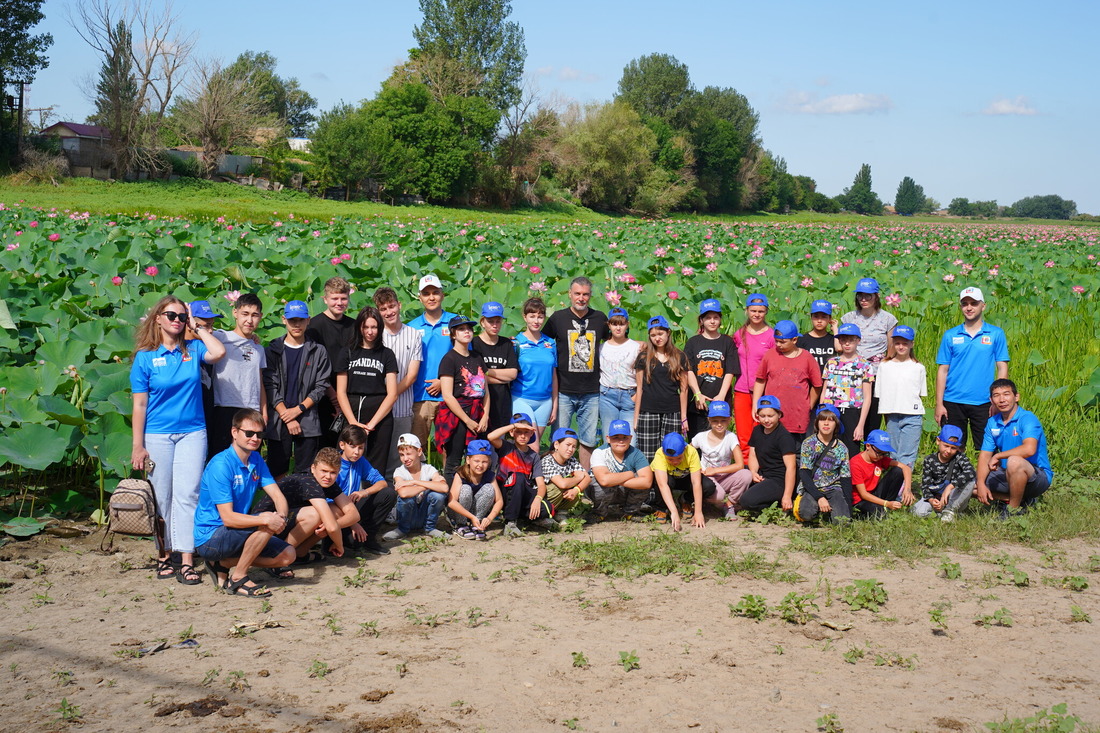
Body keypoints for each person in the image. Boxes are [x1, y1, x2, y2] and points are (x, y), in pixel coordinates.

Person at [131, 296, 226, 585]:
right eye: (171, 315)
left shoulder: (194, 348)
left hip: (193, 433)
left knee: (189, 494)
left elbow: (219, 351)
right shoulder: (145, 357)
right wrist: (138, 444)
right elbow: (139, 406)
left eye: (181, 316)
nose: (176, 320)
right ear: (157, 318)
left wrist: (198, 326)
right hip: (157, 434)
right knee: (163, 496)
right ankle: (163, 555)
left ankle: (186, 559)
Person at [193, 409, 296, 598]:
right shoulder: (221, 465)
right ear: (234, 432)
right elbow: (229, 518)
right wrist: (267, 521)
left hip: (237, 532)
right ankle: (238, 577)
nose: (255, 438)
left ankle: (224, 564)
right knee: (265, 521)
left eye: (259, 434)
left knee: (288, 555)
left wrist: (280, 517)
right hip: (211, 537)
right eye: (249, 433)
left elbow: (278, 495)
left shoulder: (256, 459)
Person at [251, 447, 360, 573]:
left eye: (333, 472)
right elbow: (331, 527)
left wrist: (331, 525)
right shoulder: (308, 481)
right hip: (262, 529)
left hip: (285, 523)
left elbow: (354, 514)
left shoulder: (327, 482)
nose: (328, 476)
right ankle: (276, 557)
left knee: (336, 512)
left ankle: (299, 554)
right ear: (313, 468)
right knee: (316, 514)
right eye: (324, 471)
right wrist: (339, 545)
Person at [544, 276, 609, 469]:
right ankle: (554, 478)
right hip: (564, 389)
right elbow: (542, 342)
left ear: (590, 296)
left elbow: (616, 342)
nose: (581, 298)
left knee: (588, 439)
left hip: (592, 390)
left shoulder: (600, 318)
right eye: (577, 294)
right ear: (570, 295)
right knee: (559, 437)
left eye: (585, 294)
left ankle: (584, 481)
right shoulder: (558, 318)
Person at [935, 287, 1010, 450]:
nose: (969, 308)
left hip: (984, 402)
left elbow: (1002, 367)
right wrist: (939, 404)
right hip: (953, 401)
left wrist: (997, 400)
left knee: (987, 449)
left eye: (974, 303)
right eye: (965, 304)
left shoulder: (996, 334)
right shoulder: (950, 335)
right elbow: (942, 371)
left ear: (983, 306)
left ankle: (986, 477)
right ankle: (954, 476)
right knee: (952, 448)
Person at [263, 300, 331, 478]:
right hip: (279, 419)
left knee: (306, 473)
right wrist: (287, 415)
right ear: (284, 319)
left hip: (307, 418)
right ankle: (278, 506)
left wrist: (298, 410)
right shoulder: (272, 350)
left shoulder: (319, 351)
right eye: (292, 320)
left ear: (308, 320)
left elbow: (321, 385)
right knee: (277, 472)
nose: (297, 324)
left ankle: (301, 506)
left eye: (301, 320)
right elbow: (270, 385)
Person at [976, 379, 1053, 519]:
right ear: (991, 400)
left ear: (1016, 396)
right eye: (996, 395)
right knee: (968, 483)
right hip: (1006, 474)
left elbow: (1029, 449)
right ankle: (1017, 500)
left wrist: (998, 456)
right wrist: (980, 483)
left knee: (1014, 461)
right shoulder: (992, 422)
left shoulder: (1027, 418)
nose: (1002, 399)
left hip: (1036, 476)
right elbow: (985, 455)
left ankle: (1012, 511)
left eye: (1006, 394)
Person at [334, 306, 398, 474]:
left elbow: (392, 394)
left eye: (374, 327)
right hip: (352, 410)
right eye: (366, 327)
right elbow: (340, 391)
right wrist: (353, 422)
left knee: (376, 466)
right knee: (346, 461)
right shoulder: (347, 352)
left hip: (379, 414)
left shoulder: (387, 354)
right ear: (359, 328)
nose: (370, 332)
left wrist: (371, 425)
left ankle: (373, 499)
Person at [208, 293, 268, 456]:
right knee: (220, 457)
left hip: (251, 410)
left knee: (247, 458)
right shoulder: (221, 336)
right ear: (235, 313)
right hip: (224, 407)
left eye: (255, 315)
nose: (249, 320)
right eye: (245, 314)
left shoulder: (259, 349)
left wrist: (264, 412)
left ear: (261, 317)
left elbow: (259, 381)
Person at [373, 286, 423, 481]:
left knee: (399, 460)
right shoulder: (375, 335)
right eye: (383, 309)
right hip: (377, 409)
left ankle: (395, 504)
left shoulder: (414, 334)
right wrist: (385, 399)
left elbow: (411, 376)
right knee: (376, 458)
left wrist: (391, 395)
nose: (389, 312)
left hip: (402, 408)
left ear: (399, 305)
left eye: (391, 306)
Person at [435, 315, 489, 486]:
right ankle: (452, 505)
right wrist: (467, 421)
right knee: (454, 462)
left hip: (478, 412)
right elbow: (447, 395)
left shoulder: (477, 357)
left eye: (469, 328)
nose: (467, 332)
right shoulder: (449, 359)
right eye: (461, 329)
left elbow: (485, 391)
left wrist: (485, 416)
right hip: (457, 415)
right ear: (453, 334)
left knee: (478, 459)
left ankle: (473, 499)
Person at [841, 278, 898, 433]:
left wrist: (885, 363)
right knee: (851, 413)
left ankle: (870, 450)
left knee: (873, 412)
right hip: (852, 370)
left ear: (876, 296)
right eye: (860, 296)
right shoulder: (848, 318)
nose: (864, 299)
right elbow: (843, 342)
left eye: (868, 296)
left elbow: (891, 346)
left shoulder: (888, 319)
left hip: (876, 372)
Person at [408, 273, 458, 450]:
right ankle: (416, 478)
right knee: (415, 447)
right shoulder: (411, 327)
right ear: (420, 298)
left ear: (442, 295)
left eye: (435, 292)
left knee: (448, 447)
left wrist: (443, 382)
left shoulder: (455, 322)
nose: (431, 297)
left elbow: (465, 359)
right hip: (420, 396)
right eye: (426, 293)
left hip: (449, 396)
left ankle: (449, 478)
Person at [751, 320, 822, 443]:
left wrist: (808, 405)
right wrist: (756, 405)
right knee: (772, 449)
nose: (778, 345)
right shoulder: (770, 355)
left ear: (794, 340)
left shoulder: (806, 358)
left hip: (797, 417)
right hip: (772, 415)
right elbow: (760, 380)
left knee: (796, 451)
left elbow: (817, 385)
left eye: (782, 342)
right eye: (776, 341)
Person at [306, 277, 355, 449]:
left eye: (343, 298)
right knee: (325, 445)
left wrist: (342, 398)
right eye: (334, 298)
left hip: (349, 393)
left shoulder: (354, 326)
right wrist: (334, 396)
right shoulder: (314, 326)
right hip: (322, 393)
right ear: (325, 299)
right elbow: (314, 366)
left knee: (348, 444)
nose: (339, 303)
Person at [488, 413, 555, 537]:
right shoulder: (506, 446)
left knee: (547, 508)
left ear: (531, 434)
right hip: (504, 493)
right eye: (519, 432)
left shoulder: (534, 456)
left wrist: (537, 499)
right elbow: (491, 437)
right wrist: (513, 425)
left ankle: (523, 517)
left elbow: (540, 484)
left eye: (526, 432)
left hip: (522, 493)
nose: (523, 436)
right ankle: (510, 523)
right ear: (512, 433)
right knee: (518, 477)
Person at [634, 315, 690, 460]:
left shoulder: (679, 356)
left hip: (672, 411)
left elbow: (684, 389)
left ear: (668, 333)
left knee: (670, 452)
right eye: (653, 335)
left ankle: (666, 482)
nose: (657, 338)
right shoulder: (643, 357)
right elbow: (639, 389)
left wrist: (683, 417)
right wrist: (636, 418)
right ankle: (649, 482)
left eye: (660, 334)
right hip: (648, 410)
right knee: (647, 454)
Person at [337, 425, 397, 555]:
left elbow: (381, 482)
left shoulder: (361, 461)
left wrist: (364, 492)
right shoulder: (334, 464)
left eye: (361, 448)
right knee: (354, 543)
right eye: (352, 447)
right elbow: (329, 501)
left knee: (388, 494)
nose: (357, 452)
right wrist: (353, 522)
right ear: (342, 445)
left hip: (352, 508)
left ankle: (369, 537)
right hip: (336, 513)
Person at [685, 298, 740, 436]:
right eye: (708, 317)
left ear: (720, 319)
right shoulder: (693, 343)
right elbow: (688, 370)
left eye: (716, 317)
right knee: (696, 441)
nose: (712, 321)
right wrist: (697, 394)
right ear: (701, 320)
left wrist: (721, 395)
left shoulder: (727, 342)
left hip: (720, 400)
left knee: (719, 441)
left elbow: (730, 371)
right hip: (697, 402)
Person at [690, 400, 752, 520]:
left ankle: (729, 504)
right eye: (715, 421)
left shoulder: (731, 437)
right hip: (708, 476)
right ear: (709, 420)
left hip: (724, 475)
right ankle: (704, 501)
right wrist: (697, 469)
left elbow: (739, 464)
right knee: (718, 495)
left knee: (746, 475)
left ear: (729, 420)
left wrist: (716, 470)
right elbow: (688, 452)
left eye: (723, 420)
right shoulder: (701, 437)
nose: (719, 424)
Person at [383, 432, 450, 541]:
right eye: (401, 455)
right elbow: (403, 493)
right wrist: (430, 485)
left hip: (424, 514)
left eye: (409, 454)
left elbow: (444, 488)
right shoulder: (399, 471)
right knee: (406, 498)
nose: (405, 458)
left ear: (419, 451)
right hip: (408, 517)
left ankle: (430, 528)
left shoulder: (428, 469)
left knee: (438, 495)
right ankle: (402, 529)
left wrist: (414, 483)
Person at [875, 325, 926, 469]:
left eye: (905, 343)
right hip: (892, 415)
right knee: (894, 454)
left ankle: (905, 487)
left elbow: (920, 394)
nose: (901, 347)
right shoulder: (884, 366)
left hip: (912, 415)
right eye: (897, 343)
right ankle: (895, 486)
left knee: (907, 454)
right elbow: (880, 394)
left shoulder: (918, 367)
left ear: (912, 344)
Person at [738, 396, 799, 513]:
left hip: (779, 479)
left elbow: (791, 467)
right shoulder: (757, 430)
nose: (766, 420)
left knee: (746, 501)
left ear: (779, 415)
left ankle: (780, 505)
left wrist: (787, 495)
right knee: (739, 474)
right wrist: (753, 472)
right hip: (763, 474)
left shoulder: (784, 437)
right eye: (762, 416)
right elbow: (753, 454)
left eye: (770, 416)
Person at [792, 405, 852, 524]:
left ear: (836, 424)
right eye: (822, 419)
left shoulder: (842, 448)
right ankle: (819, 508)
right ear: (817, 423)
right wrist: (819, 497)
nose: (826, 423)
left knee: (843, 522)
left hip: (834, 488)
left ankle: (831, 512)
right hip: (812, 487)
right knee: (805, 514)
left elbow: (845, 478)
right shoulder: (808, 443)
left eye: (830, 420)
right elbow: (804, 474)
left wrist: (848, 507)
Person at [732, 294, 774, 461]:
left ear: (766, 312)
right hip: (741, 389)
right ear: (747, 310)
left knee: (761, 431)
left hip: (763, 391)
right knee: (743, 433)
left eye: (761, 311)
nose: (757, 314)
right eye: (753, 310)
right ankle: (745, 468)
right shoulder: (739, 334)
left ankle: (762, 466)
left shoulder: (771, 335)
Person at [820, 322, 873, 455]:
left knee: (851, 449)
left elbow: (867, 397)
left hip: (853, 411)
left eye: (851, 340)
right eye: (843, 340)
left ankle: (849, 476)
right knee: (829, 448)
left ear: (858, 341)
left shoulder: (865, 365)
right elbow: (824, 390)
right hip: (831, 410)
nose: (847, 343)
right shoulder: (832, 363)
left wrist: (861, 425)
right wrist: (820, 412)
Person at [511, 296, 558, 443]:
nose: (536, 321)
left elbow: (554, 375)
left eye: (540, 317)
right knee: (533, 445)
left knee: (529, 451)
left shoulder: (550, 343)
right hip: (522, 398)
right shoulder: (515, 343)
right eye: (532, 316)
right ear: (525, 317)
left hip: (545, 401)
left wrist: (554, 405)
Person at [588, 420, 654, 520]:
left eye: (624, 437)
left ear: (630, 438)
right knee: (597, 483)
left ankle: (630, 512)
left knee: (642, 482)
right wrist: (630, 474)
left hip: (623, 491)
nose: (621, 441)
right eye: (616, 437)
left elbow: (647, 482)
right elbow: (604, 480)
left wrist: (615, 481)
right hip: (603, 492)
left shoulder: (636, 454)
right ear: (608, 438)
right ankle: (599, 513)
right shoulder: (599, 452)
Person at [651, 432, 718, 530]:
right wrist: (674, 512)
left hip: (685, 479)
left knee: (708, 486)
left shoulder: (691, 452)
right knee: (660, 481)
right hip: (669, 480)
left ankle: (685, 500)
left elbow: (696, 483)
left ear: (685, 449)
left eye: (679, 458)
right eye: (670, 459)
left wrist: (698, 512)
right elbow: (663, 485)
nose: (675, 462)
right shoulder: (659, 454)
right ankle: (662, 508)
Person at [472, 301, 519, 434]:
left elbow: (513, 374)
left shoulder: (506, 344)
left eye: (498, 321)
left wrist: (487, 372)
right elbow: (475, 378)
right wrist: (503, 379)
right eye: (490, 321)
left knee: (499, 444)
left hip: (501, 403)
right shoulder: (474, 344)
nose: (494, 325)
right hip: (479, 402)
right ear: (482, 322)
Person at [914, 425, 975, 523]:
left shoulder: (959, 457)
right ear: (938, 441)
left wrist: (951, 486)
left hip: (953, 497)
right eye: (946, 446)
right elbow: (925, 485)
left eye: (953, 448)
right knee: (919, 512)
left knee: (971, 481)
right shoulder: (929, 460)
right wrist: (931, 500)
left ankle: (950, 510)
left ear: (958, 448)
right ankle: (941, 513)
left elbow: (971, 471)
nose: (948, 451)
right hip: (936, 496)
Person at [850, 430, 915, 518]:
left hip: (874, 493)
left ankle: (889, 505)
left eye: (884, 454)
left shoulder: (880, 458)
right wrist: (886, 503)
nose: (881, 456)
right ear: (868, 446)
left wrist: (907, 490)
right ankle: (886, 506)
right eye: (879, 453)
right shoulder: (855, 463)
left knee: (898, 471)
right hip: (861, 500)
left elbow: (906, 468)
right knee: (880, 515)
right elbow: (863, 494)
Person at [448, 439, 503, 540]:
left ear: (489, 461)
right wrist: (472, 517)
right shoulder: (460, 474)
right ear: (468, 460)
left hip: (475, 511)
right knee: (466, 489)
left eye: (484, 462)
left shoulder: (489, 475)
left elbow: (499, 500)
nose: (480, 465)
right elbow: (451, 502)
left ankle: (477, 524)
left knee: (489, 489)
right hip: (458, 512)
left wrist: (490, 517)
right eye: (476, 461)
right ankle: (460, 524)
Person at [598, 307, 641, 433]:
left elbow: (642, 376)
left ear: (627, 325)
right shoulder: (601, 347)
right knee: (610, 435)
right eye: (614, 324)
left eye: (622, 324)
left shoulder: (636, 347)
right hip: (607, 396)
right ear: (609, 325)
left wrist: (636, 396)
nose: (618, 328)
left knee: (630, 438)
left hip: (629, 395)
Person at [540, 427, 592, 519]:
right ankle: (544, 515)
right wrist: (577, 478)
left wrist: (576, 490)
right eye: (567, 445)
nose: (570, 449)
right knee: (559, 486)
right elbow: (562, 484)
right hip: (543, 500)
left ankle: (561, 512)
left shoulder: (571, 459)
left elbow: (587, 478)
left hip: (559, 497)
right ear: (556, 445)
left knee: (578, 486)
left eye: (573, 446)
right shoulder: (547, 461)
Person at [798, 299, 838, 374]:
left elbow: (839, 349)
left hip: (829, 380)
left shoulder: (833, 339)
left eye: (824, 317)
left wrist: (836, 330)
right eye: (816, 317)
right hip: (809, 381)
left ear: (830, 319)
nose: (819, 321)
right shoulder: (802, 340)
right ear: (811, 317)